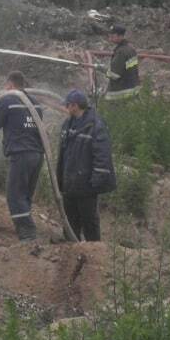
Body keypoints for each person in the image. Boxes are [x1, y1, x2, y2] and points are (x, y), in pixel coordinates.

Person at [0, 71, 44, 242]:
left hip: (21, 155)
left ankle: (28, 235)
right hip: (37, 155)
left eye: (6, 86)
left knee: (15, 195)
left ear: (10, 85)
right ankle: (28, 234)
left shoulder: (8, 100)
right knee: (25, 195)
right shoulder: (35, 103)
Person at [57, 89, 115, 242]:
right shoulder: (67, 124)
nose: (65, 108)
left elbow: (102, 156)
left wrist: (95, 182)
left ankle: (94, 253)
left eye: (67, 105)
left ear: (75, 106)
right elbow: (63, 154)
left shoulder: (96, 126)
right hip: (70, 184)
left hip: (86, 186)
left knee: (89, 222)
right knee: (70, 221)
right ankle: (70, 251)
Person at [104, 24, 139, 101]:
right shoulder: (130, 48)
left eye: (113, 36)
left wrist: (101, 68)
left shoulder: (121, 52)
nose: (110, 38)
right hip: (132, 91)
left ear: (120, 36)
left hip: (120, 94)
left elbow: (114, 74)